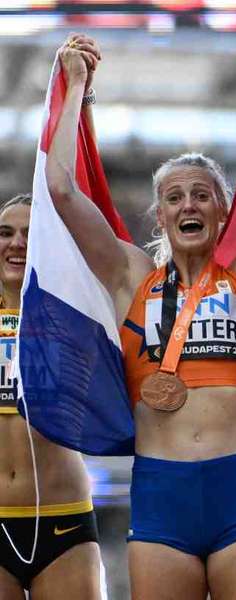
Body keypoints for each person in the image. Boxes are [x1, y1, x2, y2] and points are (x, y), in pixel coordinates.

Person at [44, 31, 236, 599]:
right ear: (160, 214)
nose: (189, 206)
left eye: (202, 195)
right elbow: (60, 189)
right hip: (162, 492)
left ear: (224, 209)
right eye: (176, 197)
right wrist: (74, 89)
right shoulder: (132, 277)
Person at [0, 193, 105, 599]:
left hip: (64, 519)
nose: (17, 243)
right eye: (5, 233)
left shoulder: (73, 314)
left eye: (31, 233)